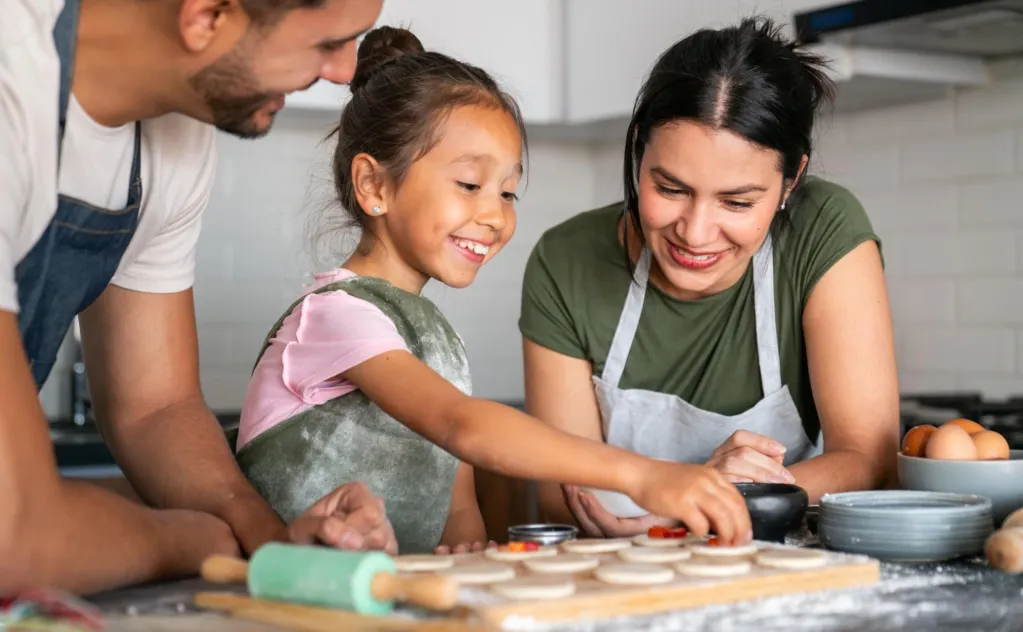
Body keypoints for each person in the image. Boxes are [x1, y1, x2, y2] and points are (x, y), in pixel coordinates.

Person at [235, 26, 754, 555]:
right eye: (469, 185)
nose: (495, 215)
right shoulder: (334, 315)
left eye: (508, 192)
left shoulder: (434, 341)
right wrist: (644, 476)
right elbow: (463, 427)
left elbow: (458, 504)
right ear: (375, 185)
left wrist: (468, 558)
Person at [0, 0, 400, 595]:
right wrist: (202, 541)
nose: (345, 72)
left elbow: (155, 407)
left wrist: (268, 541)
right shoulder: (12, 83)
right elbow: (16, 537)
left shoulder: (174, 134)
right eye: (327, 43)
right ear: (207, 15)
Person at [519, 17, 899, 539]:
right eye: (670, 188)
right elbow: (563, 499)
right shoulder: (565, 260)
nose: (696, 234)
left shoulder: (824, 230)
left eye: (737, 202)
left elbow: (870, 461)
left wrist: (712, 499)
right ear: (637, 150)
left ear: (792, 181)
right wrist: (700, 491)